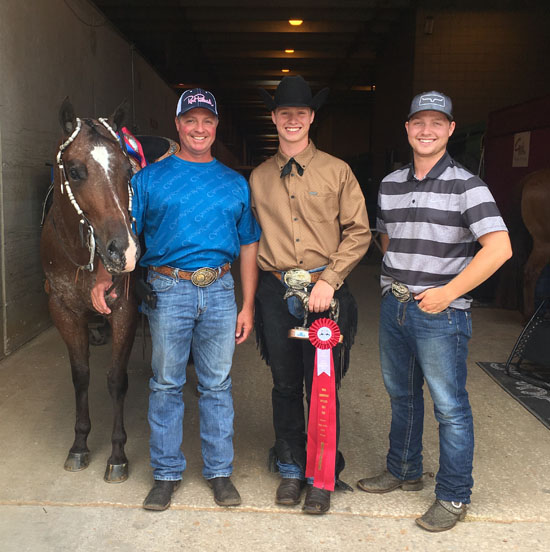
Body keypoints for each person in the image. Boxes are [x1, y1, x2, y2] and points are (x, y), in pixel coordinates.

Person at [91, 88, 261, 511]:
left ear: (215, 126)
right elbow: (122, 234)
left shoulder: (234, 183)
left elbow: (249, 244)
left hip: (220, 292)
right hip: (169, 290)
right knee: (166, 384)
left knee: (217, 385)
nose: (199, 128)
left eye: (207, 120)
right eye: (191, 120)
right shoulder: (148, 180)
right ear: (178, 125)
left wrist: (248, 304)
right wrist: (101, 278)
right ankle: (166, 474)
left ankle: (220, 473)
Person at [357, 91, 512, 531]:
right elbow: (387, 240)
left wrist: (448, 292)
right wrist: (395, 286)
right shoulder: (389, 184)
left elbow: (499, 248)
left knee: (450, 407)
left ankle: (454, 495)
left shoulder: (468, 185)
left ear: (449, 129)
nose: (426, 131)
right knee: (402, 395)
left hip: (441, 315)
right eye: (418, 122)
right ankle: (403, 468)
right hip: (396, 307)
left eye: (436, 123)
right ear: (407, 128)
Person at [249, 75, 371, 514]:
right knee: (283, 384)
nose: (292, 120)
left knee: (322, 386)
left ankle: (323, 474)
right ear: (275, 118)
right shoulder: (259, 177)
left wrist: (329, 279)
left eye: (300, 113)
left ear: (311, 117)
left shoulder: (338, 171)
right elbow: (247, 237)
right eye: (285, 113)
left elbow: (359, 232)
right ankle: (290, 465)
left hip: (326, 294)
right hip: (275, 292)